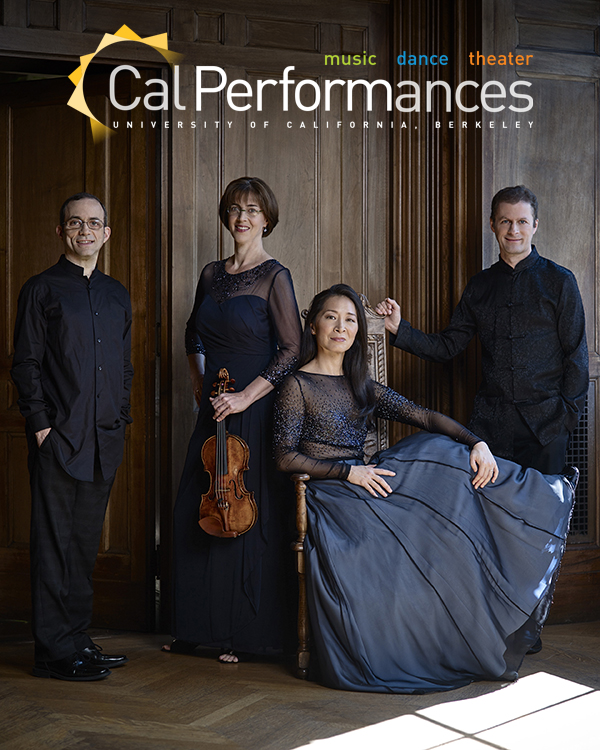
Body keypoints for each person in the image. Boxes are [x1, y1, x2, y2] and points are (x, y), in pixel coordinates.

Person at [274, 284, 576, 694]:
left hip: (368, 481)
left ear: (358, 332)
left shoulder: (361, 384)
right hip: (330, 491)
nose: (341, 327)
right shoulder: (297, 385)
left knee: (444, 463)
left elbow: (426, 416)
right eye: (331, 317)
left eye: (350, 320)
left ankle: (539, 497)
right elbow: (284, 458)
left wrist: (476, 442)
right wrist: (348, 475)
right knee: (406, 524)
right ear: (313, 325)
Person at [165, 177, 302, 663]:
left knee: (246, 513)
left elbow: (292, 350)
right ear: (226, 217)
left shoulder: (275, 276)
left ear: (266, 218)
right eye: (234, 209)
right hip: (215, 404)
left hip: (255, 407)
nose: (242, 217)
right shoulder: (210, 274)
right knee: (196, 510)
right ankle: (194, 626)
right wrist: (199, 381)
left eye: (252, 209)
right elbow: (191, 334)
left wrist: (246, 397)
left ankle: (241, 633)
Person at [376, 185, 588, 475]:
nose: (514, 230)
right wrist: (400, 328)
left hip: (548, 428)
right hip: (491, 429)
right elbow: (447, 346)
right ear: (493, 225)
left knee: (543, 516)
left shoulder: (560, 281)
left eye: (522, 222)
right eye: (505, 221)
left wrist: (567, 419)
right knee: (491, 515)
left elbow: (576, 356)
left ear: (535, 226)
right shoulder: (480, 286)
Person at [11, 193, 133, 681]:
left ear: (106, 234)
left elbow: (123, 366)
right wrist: (41, 427)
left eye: (95, 223)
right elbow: (26, 363)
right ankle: (53, 652)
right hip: (58, 440)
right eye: (76, 223)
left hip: (105, 440)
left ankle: (76, 641)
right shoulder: (40, 290)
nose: (85, 231)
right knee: (53, 546)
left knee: (83, 547)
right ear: (62, 231)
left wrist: (121, 418)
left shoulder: (117, 293)